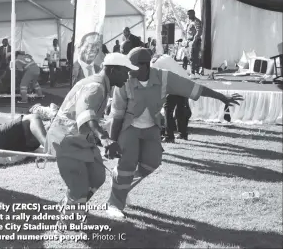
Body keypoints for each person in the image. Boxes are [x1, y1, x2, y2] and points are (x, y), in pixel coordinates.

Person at [107, 47, 243, 218]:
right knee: (126, 166)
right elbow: (117, 114)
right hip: (129, 129)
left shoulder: (164, 77)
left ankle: (120, 182)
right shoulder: (124, 81)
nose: (128, 71)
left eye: (132, 67)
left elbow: (194, 88)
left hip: (152, 128)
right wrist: (111, 141)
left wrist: (222, 97)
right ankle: (114, 205)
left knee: (152, 163)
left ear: (145, 66)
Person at [45, 52, 137, 230]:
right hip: (67, 139)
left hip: (80, 139)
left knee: (97, 176)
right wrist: (104, 138)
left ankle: (71, 206)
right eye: (125, 71)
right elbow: (85, 113)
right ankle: (68, 223)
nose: (128, 76)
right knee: (78, 187)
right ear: (112, 70)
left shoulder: (101, 84)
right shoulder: (96, 87)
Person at [150, 53, 192, 142]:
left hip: (174, 85)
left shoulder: (154, 62)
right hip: (186, 83)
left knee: (168, 109)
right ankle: (183, 134)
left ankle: (169, 136)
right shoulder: (168, 58)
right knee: (181, 110)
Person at [186, 10, 202, 78]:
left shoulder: (196, 21)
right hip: (190, 41)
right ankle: (195, 72)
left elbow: (199, 31)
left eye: (189, 14)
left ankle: (193, 73)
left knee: (193, 57)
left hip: (194, 41)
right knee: (193, 57)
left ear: (193, 14)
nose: (188, 16)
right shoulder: (190, 22)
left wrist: (194, 41)